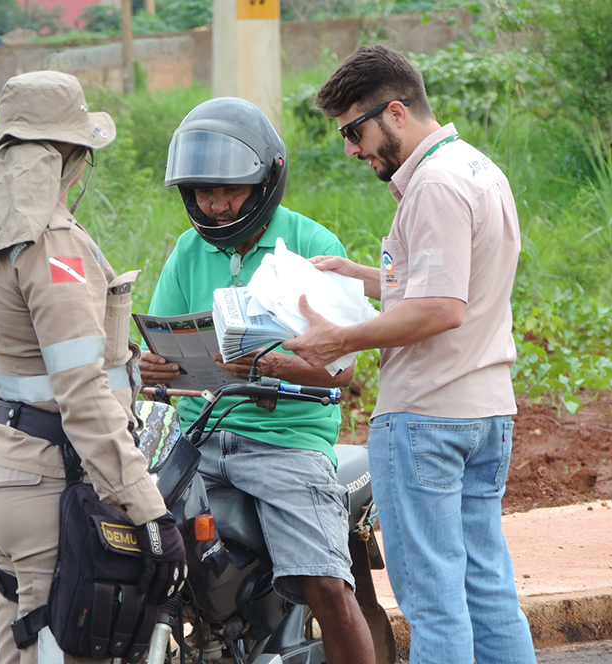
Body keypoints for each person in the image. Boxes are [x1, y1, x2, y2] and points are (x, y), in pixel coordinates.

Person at [283, 45, 537, 664]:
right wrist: (361, 275)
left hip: (425, 418)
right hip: (484, 413)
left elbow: (441, 308)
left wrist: (338, 338)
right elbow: (444, 285)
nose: (351, 148)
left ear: (395, 112)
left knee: (434, 604)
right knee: (487, 589)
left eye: (354, 130)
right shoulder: (478, 170)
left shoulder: (434, 186)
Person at [0, 71, 185, 663]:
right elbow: (82, 390)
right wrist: (146, 507)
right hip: (48, 482)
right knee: (65, 645)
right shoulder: (52, 243)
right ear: (73, 158)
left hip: (2, 467)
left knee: (24, 633)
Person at [140, 96, 376, 664]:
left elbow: (341, 371)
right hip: (196, 439)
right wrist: (154, 367)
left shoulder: (315, 249)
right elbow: (167, 336)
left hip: (285, 441)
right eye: (202, 192)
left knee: (325, 586)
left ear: (265, 180)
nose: (215, 205)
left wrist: (263, 365)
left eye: (229, 191)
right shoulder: (187, 250)